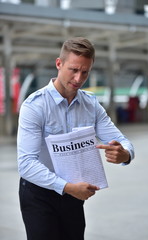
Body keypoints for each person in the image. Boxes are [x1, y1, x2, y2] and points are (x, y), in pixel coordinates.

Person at [17, 37, 134, 240]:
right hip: (39, 193)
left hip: (74, 193)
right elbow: (26, 164)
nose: (79, 78)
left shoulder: (91, 105)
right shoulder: (34, 106)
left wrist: (124, 154)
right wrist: (67, 187)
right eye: (73, 69)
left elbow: (122, 141)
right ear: (59, 64)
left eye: (85, 72)